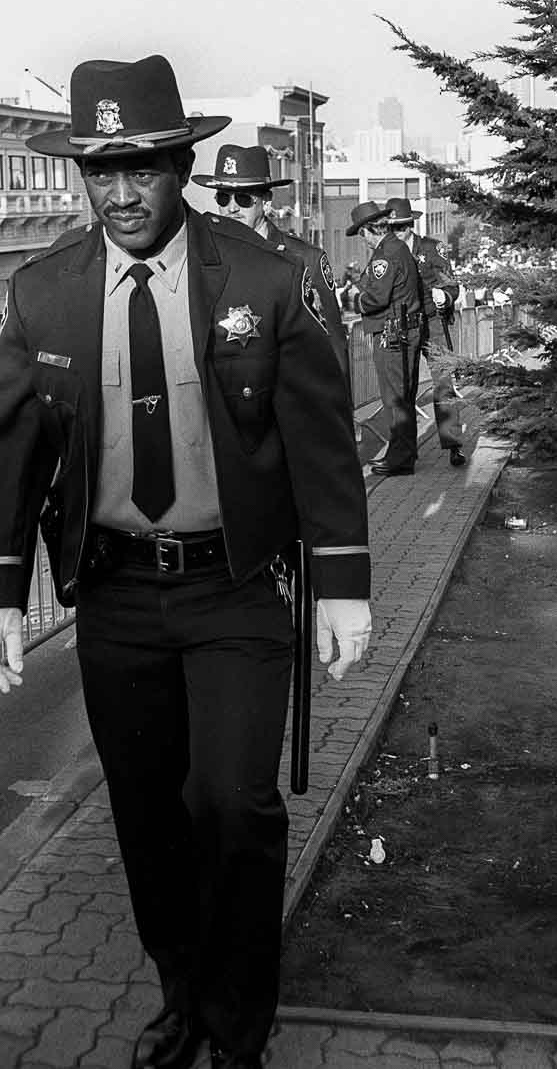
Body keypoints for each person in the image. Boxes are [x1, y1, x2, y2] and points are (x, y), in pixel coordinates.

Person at [0, 54, 372, 1069]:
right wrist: (2, 590)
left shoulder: (260, 276)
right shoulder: (44, 294)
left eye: (144, 170)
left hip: (234, 585)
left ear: (181, 167)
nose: (121, 195)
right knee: (147, 814)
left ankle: (238, 1025)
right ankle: (181, 991)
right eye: (100, 172)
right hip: (117, 593)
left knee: (233, 802)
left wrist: (340, 581)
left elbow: (320, 438)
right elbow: (16, 448)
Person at [192, 143, 348, 379]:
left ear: (265, 201)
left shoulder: (306, 259)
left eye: (243, 199)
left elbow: (332, 347)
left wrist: (339, 413)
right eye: (223, 198)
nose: (231, 208)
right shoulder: (203, 257)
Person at [384, 198, 466, 467]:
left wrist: (445, 295)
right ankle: (406, 452)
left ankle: (453, 444)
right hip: (403, 325)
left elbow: (451, 283)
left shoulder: (431, 248)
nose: (397, 232)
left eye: (402, 226)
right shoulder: (385, 251)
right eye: (392, 227)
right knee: (404, 387)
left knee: (443, 384)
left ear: (411, 225)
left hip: (432, 323)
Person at [346, 200, 422, 476]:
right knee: (402, 396)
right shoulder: (395, 249)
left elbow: (376, 297)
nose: (362, 241)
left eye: (361, 234)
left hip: (392, 333)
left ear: (369, 230)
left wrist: (353, 299)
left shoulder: (385, 254)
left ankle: (400, 457)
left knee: (395, 399)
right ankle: (403, 452)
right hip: (402, 330)